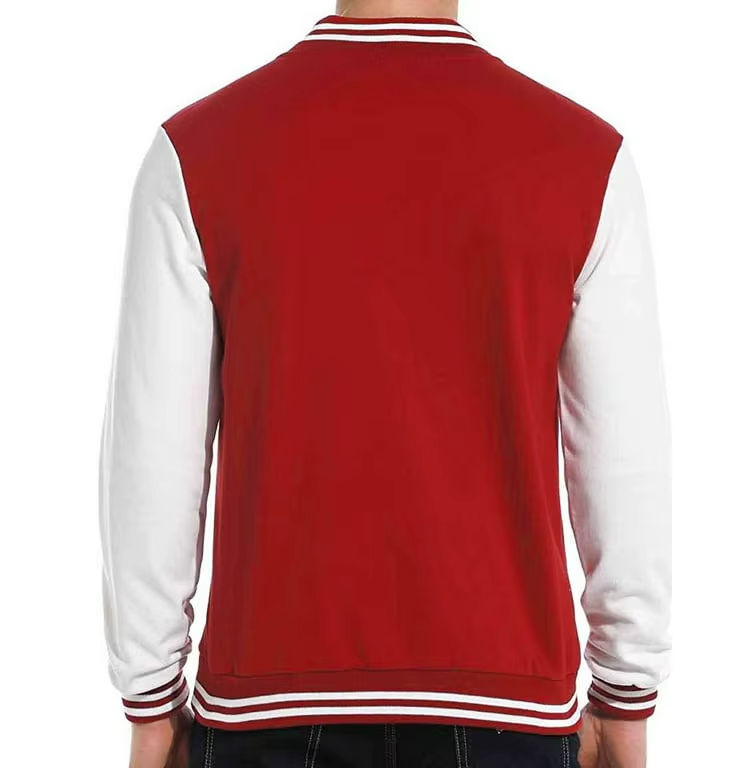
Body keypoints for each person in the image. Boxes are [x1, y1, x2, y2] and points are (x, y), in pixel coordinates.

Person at [98, 1, 672, 766]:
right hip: (509, 703)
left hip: (264, 703)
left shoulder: (197, 152)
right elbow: (625, 458)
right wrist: (626, 696)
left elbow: (152, 455)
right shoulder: (587, 159)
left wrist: (150, 702)